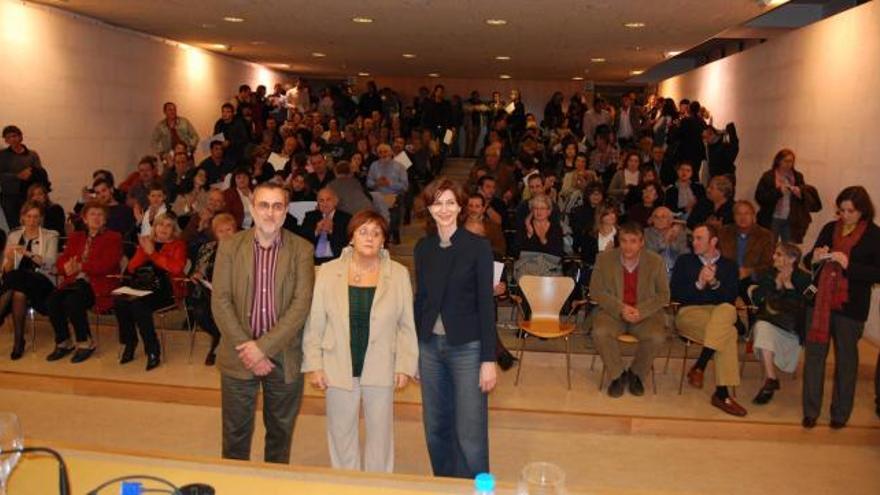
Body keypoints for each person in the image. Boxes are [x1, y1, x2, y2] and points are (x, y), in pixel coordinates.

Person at [302, 210, 418, 472]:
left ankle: (378, 486)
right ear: (352, 236)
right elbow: (316, 321)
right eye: (363, 231)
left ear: (383, 240)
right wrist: (314, 364)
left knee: (381, 435)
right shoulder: (328, 272)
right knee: (341, 434)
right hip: (337, 364)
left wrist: (404, 365)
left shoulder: (399, 274)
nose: (369, 238)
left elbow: (406, 326)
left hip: (382, 365)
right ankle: (346, 485)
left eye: (376, 233)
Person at [211, 182, 315, 463]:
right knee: (235, 435)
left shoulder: (302, 250)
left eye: (277, 206)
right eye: (264, 205)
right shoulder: (230, 247)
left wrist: (263, 348)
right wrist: (249, 347)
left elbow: (300, 305)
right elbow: (220, 300)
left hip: (284, 355)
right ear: (252, 208)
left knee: (280, 434)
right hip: (238, 353)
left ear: (286, 211)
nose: (270, 213)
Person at [414, 177, 496, 479]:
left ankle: (479, 488)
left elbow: (487, 305)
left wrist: (488, 359)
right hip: (429, 348)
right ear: (430, 208)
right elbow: (420, 301)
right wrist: (415, 351)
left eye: (450, 202)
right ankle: (445, 484)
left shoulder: (478, 247)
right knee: (436, 427)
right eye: (438, 202)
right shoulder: (423, 249)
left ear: (460, 207)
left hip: (468, 348)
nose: (444, 209)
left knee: (470, 432)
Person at [802, 186, 880, 429]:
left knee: (846, 362)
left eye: (850, 211)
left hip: (851, 307)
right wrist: (815, 257)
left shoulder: (875, 235)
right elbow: (808, 261)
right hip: (820, 303)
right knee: (814, 358)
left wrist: (848, 265)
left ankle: (840, 414)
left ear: (863, 211)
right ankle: (811, 411)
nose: (844, 215)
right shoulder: (829, 228)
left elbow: (877, 273)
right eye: (841, 210)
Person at [671, 223, 746, 417]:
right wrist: (699, 283)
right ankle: (717, 388)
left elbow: (729, 297)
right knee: (728, 331)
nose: (693, 242)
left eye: (699, 238)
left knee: (727, 315)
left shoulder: (729, 266)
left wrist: (713, 283)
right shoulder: (684, 261)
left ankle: (704, 371)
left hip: (719, 313)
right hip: (690, 313)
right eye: (693, 238)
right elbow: (676, 294)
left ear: (713, 241)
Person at [590, 222, 670, 397]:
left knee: (657, 337)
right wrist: (621, 308)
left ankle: (636, 374)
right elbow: (595, 291)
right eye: (624, 241)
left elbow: (664, 295)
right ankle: (617, 375)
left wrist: (640, 310)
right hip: (613, 312)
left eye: (633, 241)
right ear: (619, 241)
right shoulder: (604, 259)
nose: (628, 246)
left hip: (645, 314)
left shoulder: (655, 262)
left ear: (642, 242)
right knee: (600, 332)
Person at [46, 202, 123, 364]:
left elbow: (108, 264)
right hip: (75, 282)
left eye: (100, 214)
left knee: (73, 301)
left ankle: (85, 343)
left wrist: (81, 266)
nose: (96, 218)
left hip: (98, 284)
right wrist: (65, 268)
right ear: (85, 219)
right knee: (53, 300)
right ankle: (64, 341)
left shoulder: (113, 237)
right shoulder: (76, 237)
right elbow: (63, 260)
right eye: (92, 214)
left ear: (105, 219)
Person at [114, 213, 187, 371]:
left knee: (138, 305)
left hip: (167, 290)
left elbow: (176, 268)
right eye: (160, 224)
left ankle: (153, 350)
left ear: (174, 229)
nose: (164, 229)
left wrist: (153, 253)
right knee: (119, 300)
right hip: (143, 287)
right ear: (155, 227)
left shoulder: (178, 245)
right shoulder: (148, 242)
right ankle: (130, 343)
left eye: (168, 226)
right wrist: (144, 251)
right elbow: (132, 268)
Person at [750, 242, 811, 405]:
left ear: (792, 259)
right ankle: (771, 378)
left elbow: (805, 307)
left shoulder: (804, 278)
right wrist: (776, 285)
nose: (773, 257)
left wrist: (789, 287)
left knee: (763, 328)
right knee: (762, 327)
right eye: (775, 253)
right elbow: (756, 298)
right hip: (771, 322)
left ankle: (771, 380)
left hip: (792, 329)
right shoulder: (768, 274)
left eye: (779, 254)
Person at [1, 202, 58, 360]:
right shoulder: (13, 235)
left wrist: (27, 253)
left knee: (16, 278)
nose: (32, 220)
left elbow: (50, 263)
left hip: (42, 281)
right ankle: (19, 342)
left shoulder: (50, 235)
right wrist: (10, 260)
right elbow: (6, 271)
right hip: (18, 283)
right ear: (22, 218)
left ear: (40, 219)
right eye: (29, 216)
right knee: (19, 292)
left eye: (36, 217)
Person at [188, 213, 238, 366]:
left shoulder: (244, 248)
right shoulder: (208, 248)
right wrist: (196, 275)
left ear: (235, 230)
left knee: (226, 310)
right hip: (210, 292)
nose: (225, 234)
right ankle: (220, 337)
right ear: (215, 233)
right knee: (199, 312)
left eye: (228, 230)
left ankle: (220, 343)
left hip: (236, 294)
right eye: (220, 231)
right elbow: (199, 270)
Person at [754, 149, 821, 243]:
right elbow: (760, 197)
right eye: (786, 161)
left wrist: (800, 194)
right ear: (778, 161)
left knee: (789, 248)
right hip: (772, 218)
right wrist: (779, 191)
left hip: (791, 219)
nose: (789, 164)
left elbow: (804, 197)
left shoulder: (798, 176)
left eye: (791, 161)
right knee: (769, 246)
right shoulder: (769, 176)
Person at [719, 201, 774, 310]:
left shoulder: (765, 235)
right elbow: (716, 256)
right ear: (734, 217)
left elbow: (769, 264)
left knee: (753, 301)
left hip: (752, 278)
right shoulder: (724, 232)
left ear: (753, 216)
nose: (742, 217)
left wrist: (749, 271)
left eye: (747, 213)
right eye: (739, 214)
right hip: (727, 276)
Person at [1, 125, 49, 228]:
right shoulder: (2, 155)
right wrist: (17, 176)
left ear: (20, 137)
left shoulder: (32, 155)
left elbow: (40, 174)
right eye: (8, 137)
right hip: (10, 197)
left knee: (31, 223)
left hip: (28, 197)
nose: (12, 139)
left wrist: (31, 173)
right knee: (13, 225)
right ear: (5, 140)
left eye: (14, 136)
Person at [299, 188, 352, 265]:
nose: (325, 203)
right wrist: (316, 231)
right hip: (313, 260)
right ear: (318, 203)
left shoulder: (346, 218)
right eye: (321, 200)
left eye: (328, 200)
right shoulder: (310, 216)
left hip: (337, 259)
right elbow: (302, 238)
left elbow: (348, 242)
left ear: (336, 202)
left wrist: (331, 231)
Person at [644, 206, 689, 275]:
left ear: (671, 220)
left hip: (676, 271)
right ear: (652, 220)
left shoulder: (679, 233)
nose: (659, 220)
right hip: (654, 271)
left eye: (663, 217)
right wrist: (665, 241)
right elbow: (650, 254)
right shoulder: (646, 233)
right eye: (656, 217)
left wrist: (673, 240)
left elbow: (684, 253)